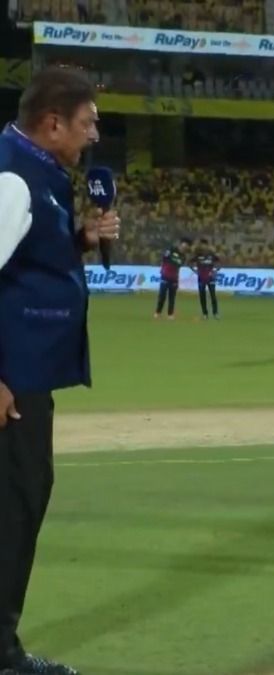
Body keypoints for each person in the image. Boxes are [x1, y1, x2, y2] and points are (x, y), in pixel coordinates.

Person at [0, 65, 118, 675]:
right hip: (11, 382)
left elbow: (25, 259)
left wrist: (77, 239)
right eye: (87, 122)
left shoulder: (33, 172)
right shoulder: (14, 180)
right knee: (16, 502)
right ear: (52, 124)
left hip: (23, 375)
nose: (94, 134)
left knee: (20, 497)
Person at [155, 236, 190, 320]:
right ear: (181, 244)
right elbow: (165, 258)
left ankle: (170, 314)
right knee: (162, 296)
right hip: (165, 276)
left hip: (174, 278)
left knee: (172, 297)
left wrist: (174, 261)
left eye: (187, 246)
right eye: (184, 244)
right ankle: (158, 313)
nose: (185, 247)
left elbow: (179, 264)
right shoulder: (171, 250)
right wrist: (163, 268)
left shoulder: (183, 256)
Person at [191, 238, 221, 320]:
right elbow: (189, 262)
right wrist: (195, 270)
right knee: (202, 296)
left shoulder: (212, 254)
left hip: (210, 277)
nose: (203, 246)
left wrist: (215, 271)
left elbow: (219, 263)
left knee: (213, 295)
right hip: (201, 278)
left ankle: (215, 313)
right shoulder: (198, 255)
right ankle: (205, 314)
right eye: (202, 245)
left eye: (205, 245)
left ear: (207, 245)